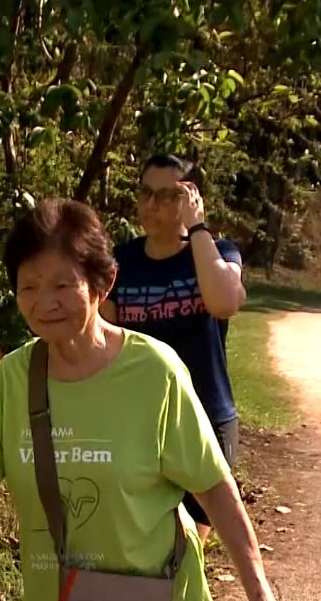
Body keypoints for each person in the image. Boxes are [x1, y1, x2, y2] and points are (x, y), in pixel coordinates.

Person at [0, 199, 277, 601]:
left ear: (103, 282)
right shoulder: (15, 378)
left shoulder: (153, 372)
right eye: (29, 287)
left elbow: (214, 489)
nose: (44, 302)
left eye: (62, 285)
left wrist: (259, 594)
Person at [100, 154, 247, 544]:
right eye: (146, 193)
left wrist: (197, 227)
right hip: (141, 422)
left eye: (167, 196)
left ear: (191, 199)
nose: (151, 205)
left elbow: (223, 302)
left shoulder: (218, 252)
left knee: (187, 545)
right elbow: (104, 339)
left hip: (207, 416)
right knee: (150, 542)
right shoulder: (121, 262)